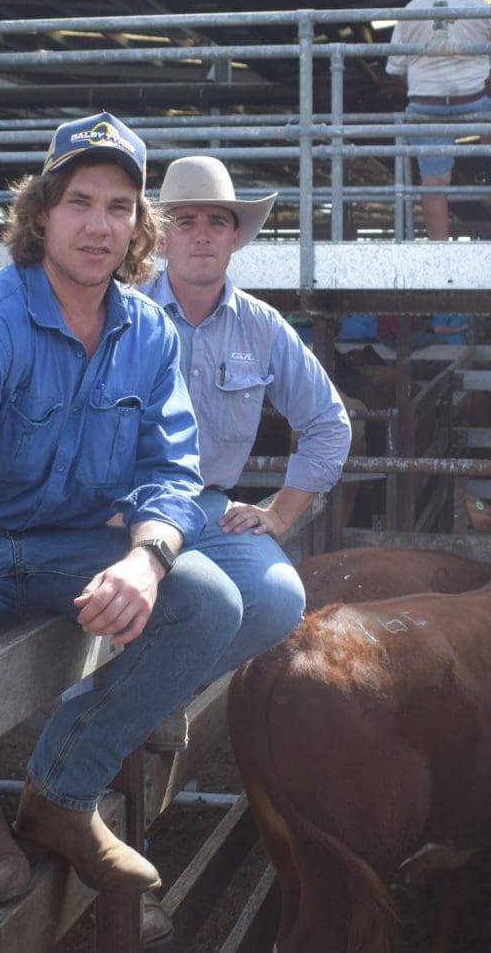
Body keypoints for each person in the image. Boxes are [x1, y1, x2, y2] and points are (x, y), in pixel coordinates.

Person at [0, 112, 244, 911]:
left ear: (138, 226)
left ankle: (62, 793)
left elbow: (174, 471)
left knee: (211, 603)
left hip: (75, 547)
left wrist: (145, 558)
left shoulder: (151, 334)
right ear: (40, 213)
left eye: (120, 206)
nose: (100, 225)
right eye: (80, 202)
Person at [141, 155, 352, 674]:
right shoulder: (123, 309)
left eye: (217, 222)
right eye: (185, 222)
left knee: (279, 600)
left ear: (236, 238)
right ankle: (127, 701)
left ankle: (155, 692)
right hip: (124, 508)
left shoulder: (262, 327)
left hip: (207, 508)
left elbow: (329, 423)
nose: (202, 236)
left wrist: (281, 510)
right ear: (161, 239)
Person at [386, 0, 491, 241]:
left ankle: (438, 252)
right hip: (474, 100)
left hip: (425, 105)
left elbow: (394, 67)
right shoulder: (481, 8)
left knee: (434, 183)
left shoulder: (412, 8)